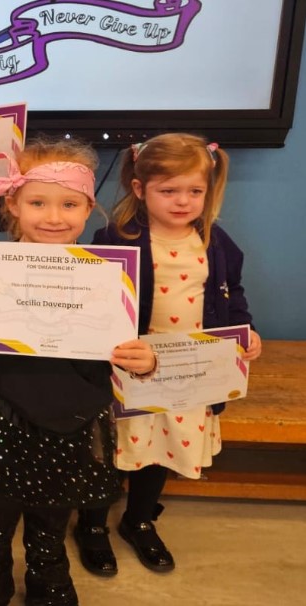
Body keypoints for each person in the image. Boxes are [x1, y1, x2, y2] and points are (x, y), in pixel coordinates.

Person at [0, 139, 160, 605]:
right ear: (12, 204)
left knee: (54, 512)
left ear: (88, 208)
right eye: (38, 202)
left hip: (73, 415)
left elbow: (127, 347)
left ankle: (48, 570)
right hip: (3, 414)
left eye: (69, 204)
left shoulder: (108, 276)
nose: (53, 217)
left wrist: (145, 362)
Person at [74, 133, 263, 576]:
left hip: (187, 373)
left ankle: (139, 520)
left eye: (195, 191)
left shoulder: (216, 242)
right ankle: (93, 524)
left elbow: (231, 293)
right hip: (129, 368)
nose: (183, 201)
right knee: (114, 448)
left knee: (161, 447)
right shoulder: (115, 238)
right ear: (140, 189)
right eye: (169, 190)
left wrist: (246, 330)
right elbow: (98, 302)